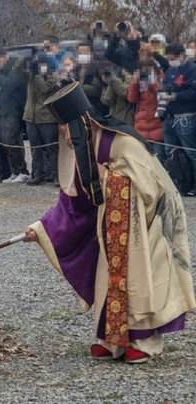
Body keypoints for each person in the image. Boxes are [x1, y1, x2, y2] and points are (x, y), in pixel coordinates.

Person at [25, 83, 195, 365]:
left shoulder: (123, 142)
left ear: (82, 124)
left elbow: (150, 188)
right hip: (114, 226)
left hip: (146, 222)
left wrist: (113, 180)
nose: (65, 134)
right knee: (110, 276)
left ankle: (142, 340)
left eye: (68, 128)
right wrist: (40, 228)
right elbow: (74, 199)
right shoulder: (85, 148)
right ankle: (113, 340)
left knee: (140, 278)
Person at [160, 43, 196, 196]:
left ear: (181, 54)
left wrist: (174, 96)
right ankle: (178, 182)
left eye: (173, 58)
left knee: (190, 152)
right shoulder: (170, 70)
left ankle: (194, 184)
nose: (171, 60)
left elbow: (193, 92)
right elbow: (165, 86)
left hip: (186, 117)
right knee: (171, 152)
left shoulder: (192, 70)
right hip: (169, 117)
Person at [22, 57, 60, 186]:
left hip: (47, 118)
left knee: (51, 148)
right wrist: (26, 59)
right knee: (35, 148)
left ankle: (55, 175)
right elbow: (17, 71)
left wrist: (38, 75)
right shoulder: (30, 76)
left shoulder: (54, 78)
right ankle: (38, 175)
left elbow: (44, 89)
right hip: (30, 117)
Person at [0, 52, 30, 183]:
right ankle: (14, 171)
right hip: (4, 110)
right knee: (6, 142)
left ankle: (23, 171)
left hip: (14, 110)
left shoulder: (15, 70)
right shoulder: (2, 71)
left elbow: (8, 85)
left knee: (12, 140)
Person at [127, 59, 165, 164]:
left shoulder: (160, 79)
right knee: (144, 161)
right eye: (143, 69)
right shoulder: (140, 82)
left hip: (157, 124)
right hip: (141, 125)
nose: (146, 71)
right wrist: (134, 82)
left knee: (159, 160)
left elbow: (162, 95)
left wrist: (152, 82)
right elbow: (131, 99)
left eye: (148, 69)